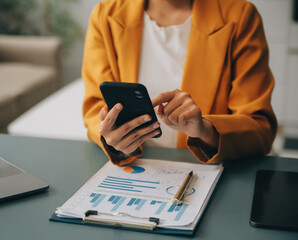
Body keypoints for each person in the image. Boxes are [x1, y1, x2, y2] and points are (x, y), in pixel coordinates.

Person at [82, 0, 278, 166]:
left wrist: (205, 129)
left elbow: (260, 128)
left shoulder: (240, 17)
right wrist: (113, 140)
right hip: (133, 171)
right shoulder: (105, 15)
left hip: (208, 175)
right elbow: (95, 108)